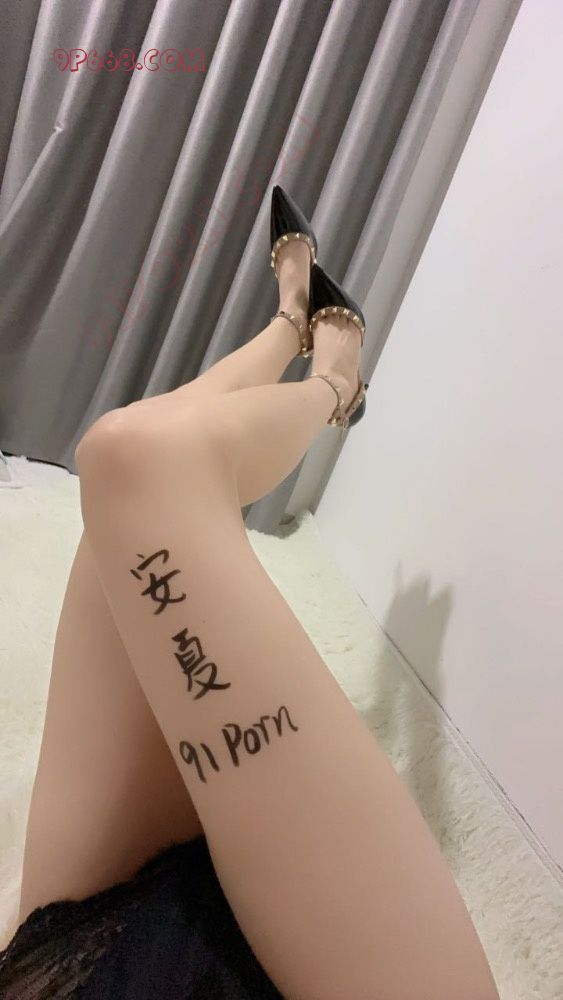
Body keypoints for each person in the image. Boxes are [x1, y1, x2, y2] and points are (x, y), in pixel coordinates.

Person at [0, 186, 501, 999]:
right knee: (137, 461)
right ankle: (333, 380)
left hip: (61, 957)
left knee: (126, 474)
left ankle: (288, 329)